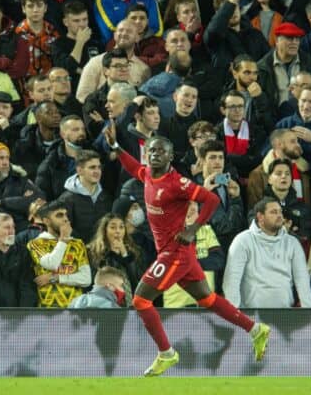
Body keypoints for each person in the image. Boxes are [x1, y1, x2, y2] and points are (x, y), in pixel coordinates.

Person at [104, 123, 270, 377]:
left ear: (171, 156)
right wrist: (116, 147)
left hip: (175, 252)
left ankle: (166, 353)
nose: (155, 154)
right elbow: (133, 167)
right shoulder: (148, 173)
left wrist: (192, 229)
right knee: (207, 299)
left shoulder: (176, 182)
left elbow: (211, 199)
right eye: (151, 151)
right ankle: (255, 329)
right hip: (176, 253)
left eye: (161, 151)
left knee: (140, 300)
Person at [224, 197, 311, 308]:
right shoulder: (242, 241)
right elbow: (231, 281)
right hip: (251, 317)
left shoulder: (292, 243)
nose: (279, 216)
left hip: (285, 315)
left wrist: (310, 312)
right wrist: (235, 316)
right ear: (260, 217)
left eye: (280, 212)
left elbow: (303, 281)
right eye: (273, 212)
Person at [27, 200, 92, 308]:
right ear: (46, 221)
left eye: (66, 214)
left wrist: (55, 277)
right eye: (59, 215)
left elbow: (86, 279)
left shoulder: (78, 244)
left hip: (76, 310)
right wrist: (63, 241)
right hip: (48, 310)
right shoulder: (36, 244)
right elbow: (52, 264)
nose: (65, 219)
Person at [163, 200, 224, 307]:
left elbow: (217, 261)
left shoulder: (206, 230)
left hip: (204, 304)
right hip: (177, 305)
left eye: (194, 204)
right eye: (188, 204)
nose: (192, 208)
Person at [87, 213, 147, 306]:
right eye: (113, 227)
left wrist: (124, 253)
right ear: (105, 231)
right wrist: (113, 253)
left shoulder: (134, 251)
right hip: (105, 302)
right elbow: (100, 277)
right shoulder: (95, 252)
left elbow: (136, 278)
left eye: (121, 227)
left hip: (131, 301)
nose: (118, 231)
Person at [58, 150, 113, 243]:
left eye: (99, 167)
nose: (97, 171)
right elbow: (65, 230)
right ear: (79, 170)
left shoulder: (105, 197)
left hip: (102, 251)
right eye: (92, 167)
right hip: (79, 252)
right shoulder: (66, 199)